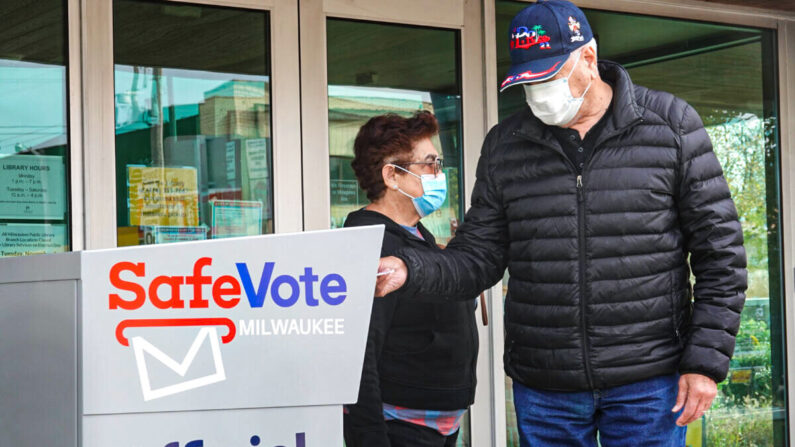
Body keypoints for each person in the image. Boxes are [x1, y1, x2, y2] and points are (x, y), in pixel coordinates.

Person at [375, 1, 747, 446]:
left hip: (649, 380)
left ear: (588, 59)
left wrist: (704, 363)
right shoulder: (506, 146)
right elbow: (478, 257)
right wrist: (410, 269)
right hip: (545, 385)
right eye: (528, 82)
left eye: (549, 77)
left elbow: (720, 255)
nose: (538, 94)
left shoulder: (669, 126)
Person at [343, 111, 478, 447]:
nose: (439, 174)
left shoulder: (417, 236)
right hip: (401, 428)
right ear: (392, 175)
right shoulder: (371, 244)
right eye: (430, 164)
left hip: (439, 426)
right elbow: (360, 357)